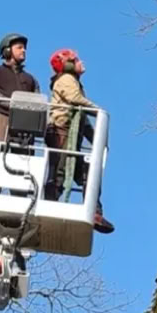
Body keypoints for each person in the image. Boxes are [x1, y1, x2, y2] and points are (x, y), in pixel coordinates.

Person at [44, 48, 115, 234]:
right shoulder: (66, 80)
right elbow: (75, 100)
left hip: (72, 133)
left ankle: (94, 211)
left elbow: (81, 118)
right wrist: (98, 111)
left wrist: (96, 138)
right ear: (68, 64)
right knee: (58, 173)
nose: (81, 62)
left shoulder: (74, 82)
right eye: (76, 60)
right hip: (62, 132)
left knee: (88, 172)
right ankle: (49, 207)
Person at [0, 32, 40, 187]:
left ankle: (21, 198)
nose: (24, 51)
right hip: (1, 118)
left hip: (25, 125)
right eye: (19, 47)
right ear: (7, 50)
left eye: (24, 48)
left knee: (22, 168)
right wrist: (13, 103)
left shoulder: (31, 79)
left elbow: (39, 102)